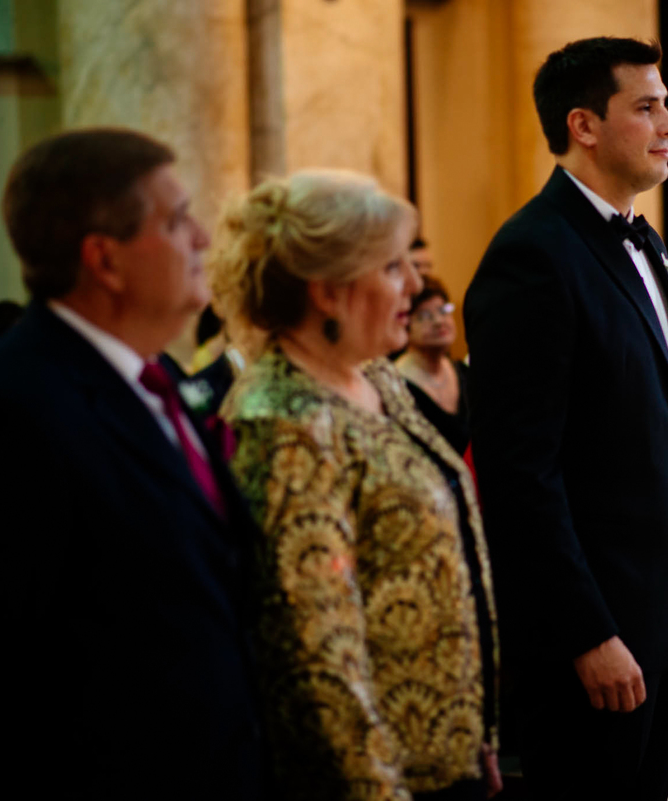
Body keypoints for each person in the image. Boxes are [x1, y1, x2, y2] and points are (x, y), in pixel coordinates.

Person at [466, 38, 668, 800]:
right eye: (647, 107)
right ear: (583, 124)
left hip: (666, 612)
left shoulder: (641, 239)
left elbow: (651, 423)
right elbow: (522, 476)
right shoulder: (534, 256)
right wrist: (586, 632)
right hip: (600, 628)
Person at [0, 128, 271, 799]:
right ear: (104, 259)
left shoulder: (150, 378)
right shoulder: (16, 409)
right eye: (176, 219)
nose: (201, 239)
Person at [210, 169, 501, 801]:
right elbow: (315, 647)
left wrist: (475, 738)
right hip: (373, 774)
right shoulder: (284, 418)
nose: (417, 283)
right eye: (393, 266)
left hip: (445, 752)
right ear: (328, 289)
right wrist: (376, 786)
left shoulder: (376, 377)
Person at [396, 275, 470, 454]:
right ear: (405, 324)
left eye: (443, 310)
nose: (439, 321)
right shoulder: (395, 385)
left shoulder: (465, 372)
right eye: (425, 316)